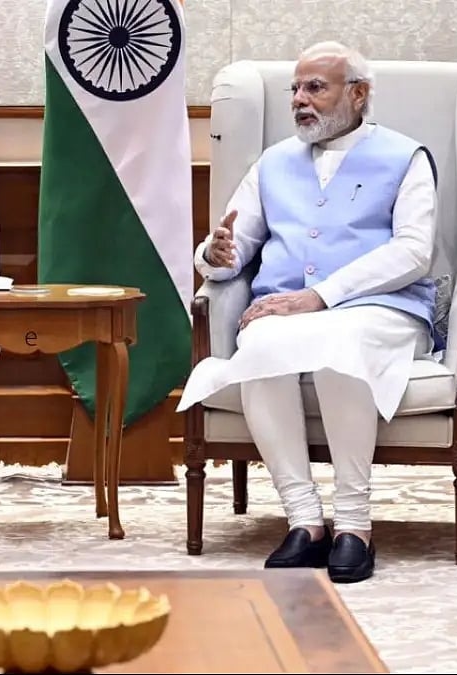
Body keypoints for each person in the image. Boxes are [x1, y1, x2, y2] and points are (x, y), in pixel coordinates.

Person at [177, 41, 440, 583]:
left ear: (359, 94)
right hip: (287, 309)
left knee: (335, 346)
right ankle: (304, 520)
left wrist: (322, 296)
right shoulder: (272, 163)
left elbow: (415, 252)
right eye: (295, 89)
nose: (300, 100)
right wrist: (213, 255)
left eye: (315, 87)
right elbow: (230, 250)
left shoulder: (406, 157)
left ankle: (353, 525)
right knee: (262, 345)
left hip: (382, 309)